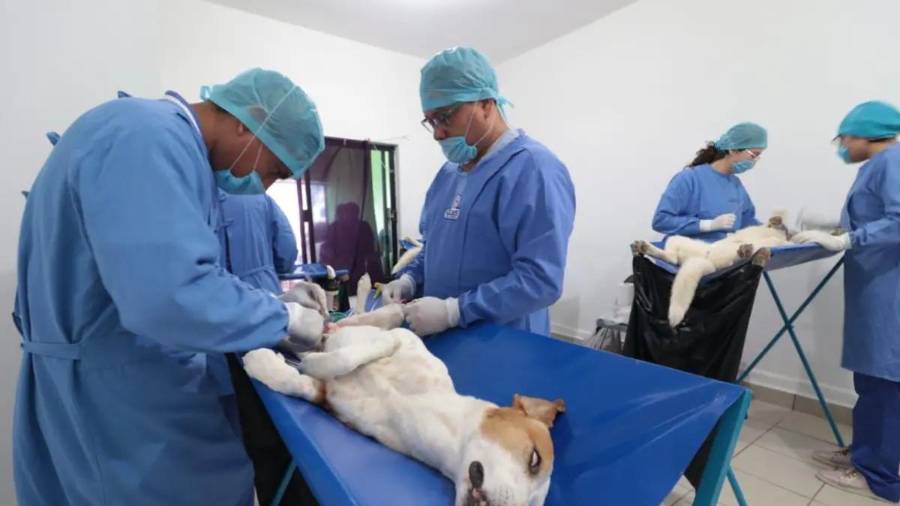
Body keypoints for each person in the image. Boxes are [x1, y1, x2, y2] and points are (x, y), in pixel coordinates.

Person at [12, 68, 329, 506]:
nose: (266, 186)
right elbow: (171, 296)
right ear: (247, 122)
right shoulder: (150, 140)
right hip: (124, 401)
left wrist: (268, 300)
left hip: (99, 380)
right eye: (273, 169)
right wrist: (283, 318)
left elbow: (168, 270)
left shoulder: (150, 139)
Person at [381, 47, 576, 337]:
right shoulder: (448, 174)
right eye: (431, 121)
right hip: (445, 343)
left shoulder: (534, 169)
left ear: (486, 104)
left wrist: (456, 311)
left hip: (506, 345)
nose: (437, 133)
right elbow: (433, 247)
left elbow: (540, 280)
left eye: (444, 117)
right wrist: (410, 278)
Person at [794, 100, 900, 504]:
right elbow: (877, 216)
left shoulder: (892, 163)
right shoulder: (879, 166)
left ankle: (878, 475)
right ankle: (865, 452)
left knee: (885, 385)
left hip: (889, 290)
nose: (841, 146)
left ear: (863, 134)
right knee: (872, 380)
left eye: (843, 138)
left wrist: (846, 239)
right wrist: (833, 225)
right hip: (875, 284)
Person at [217, 191, 320, 505]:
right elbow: (286, 255)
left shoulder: (197, 192)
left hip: (221, 326)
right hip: (268, 317)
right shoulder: (260, 196)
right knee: (283, 423)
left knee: (248, 430)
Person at [652, 122, 767, 242]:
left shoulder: (735, 184)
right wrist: (708, 225)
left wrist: (770, 231)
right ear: (733, 149)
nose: (755, 161)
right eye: (754, 155)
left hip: (721, 255)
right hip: (689, 255)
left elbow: (746, 222)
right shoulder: (689, 179)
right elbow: (661, 220)